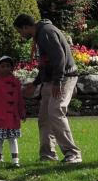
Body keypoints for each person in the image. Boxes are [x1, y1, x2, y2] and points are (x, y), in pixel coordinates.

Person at [14, 14, 82, 163]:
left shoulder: (46, 32)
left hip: (63, 78)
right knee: (45, 117)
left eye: (20, 31)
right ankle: (47, 155)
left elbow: (59, 57)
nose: (21, 35)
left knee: (55, 111)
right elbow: (46, 63)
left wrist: (58, 81)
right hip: (51, 80)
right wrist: (36, 83)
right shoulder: (40, 33)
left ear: (26, 27)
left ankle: (73, 154)